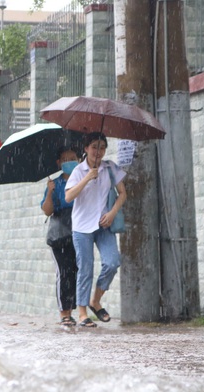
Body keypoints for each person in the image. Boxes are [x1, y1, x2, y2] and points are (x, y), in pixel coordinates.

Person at [65, 132, 127, 328]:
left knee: (112, 262)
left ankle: (96, 300)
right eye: (94, 146)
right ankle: (82, 312)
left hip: (103, 224)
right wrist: (87, 178)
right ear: (86, 149)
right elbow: (68, 197)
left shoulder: (110, 168)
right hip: (82, 227)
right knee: (85, 268)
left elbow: (123, 193)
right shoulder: (78, 171)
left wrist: (112, 213)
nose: (98, 151)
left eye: (101, 147)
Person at [41, 147, 80, 328]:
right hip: (59, 235)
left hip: (80, 232)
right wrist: (50, 192)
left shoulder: (83, 181)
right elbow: (47, 210)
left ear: (79, 160)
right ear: (59, 163)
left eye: (72, 158)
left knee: (78, 272)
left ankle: (78, 311)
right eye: (65, 159)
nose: (69, 161)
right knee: (64, 272)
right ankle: (64, 313)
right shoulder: (55, 184)